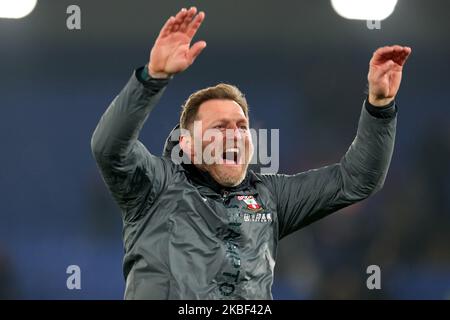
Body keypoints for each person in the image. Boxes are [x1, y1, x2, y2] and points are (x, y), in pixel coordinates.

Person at [91, 7, 411, 299]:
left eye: (242, 126)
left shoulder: (270, 195)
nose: (235, 134)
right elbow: (109, 148)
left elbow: (357, 180)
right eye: (219, 127)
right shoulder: (154, 185)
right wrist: (151, 78)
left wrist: (379, 107)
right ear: (187, 144)